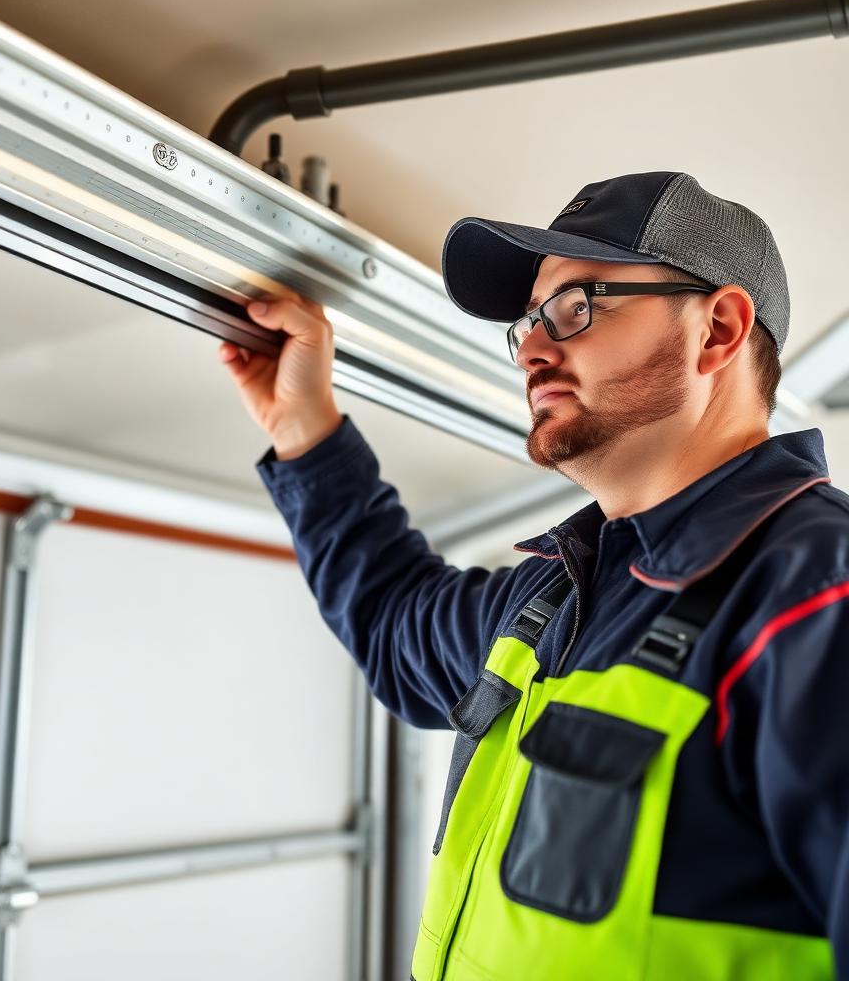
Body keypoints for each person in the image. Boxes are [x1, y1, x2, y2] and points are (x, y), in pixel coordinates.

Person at [218, 171, 849, 980]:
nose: (536, 350)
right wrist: (305, 429)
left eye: (577, 306)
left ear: (718, 330)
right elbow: (392, 618)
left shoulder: (813, 599)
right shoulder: (553, 595)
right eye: (529, 324)